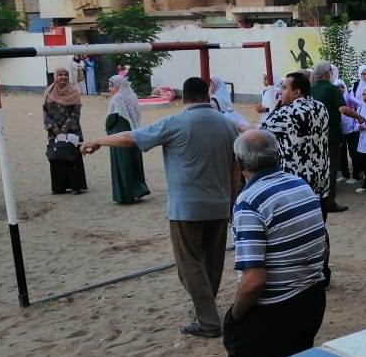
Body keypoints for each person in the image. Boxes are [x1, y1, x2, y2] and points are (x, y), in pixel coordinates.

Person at [81, 76, 239, 337]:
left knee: (189, 266)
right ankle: (204, 310)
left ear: (184, 96)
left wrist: (99, 141)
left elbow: (131, 138)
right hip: (220, 206)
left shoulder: (174, 123)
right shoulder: (227, 124)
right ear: (207, 95)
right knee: (212, 262)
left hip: (186, 209)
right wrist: (232, 201)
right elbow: (235, 168)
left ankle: (208, 321)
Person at [223, 129, 327, 357]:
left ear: (240, 163)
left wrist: (234, 317)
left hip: (276, 309)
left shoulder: (249, 201)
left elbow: (254, 281)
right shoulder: (300, 184)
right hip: (312, 299)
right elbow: (322, 247)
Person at [260, 72, 330, 198]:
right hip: (320, 177)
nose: (280, 92)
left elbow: (262, 132)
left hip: (296, 181)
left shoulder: (287, 112)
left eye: (284, 88)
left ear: (297, 92)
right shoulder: (321, 107)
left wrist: (278, 106)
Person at [310, 61, 365, 214]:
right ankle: (329, 202)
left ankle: (316, 200)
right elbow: (342, 109)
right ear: (327, 73)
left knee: (318, 168)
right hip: (331, 134)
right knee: (332, 169)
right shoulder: (332, 89)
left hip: (314, 135)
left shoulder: (310, 90)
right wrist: (358, 116)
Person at [104, 74, 150, 205]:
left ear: (119, 86)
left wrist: (107, 127)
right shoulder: (132, 95)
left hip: (119, 132)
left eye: (111, 86)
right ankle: (138, 191)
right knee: (133, 161)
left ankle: (126, 195)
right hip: (133, 132)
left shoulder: (117, 98)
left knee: (122, 163)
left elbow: (112, 118)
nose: (110, 89)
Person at [43, 66, 88, 195]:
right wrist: (53, 126)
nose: (63, 77)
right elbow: (45, 112)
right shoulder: (49, 91)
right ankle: (59, 187)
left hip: (72, 130)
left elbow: (76, 112)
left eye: (65, 75)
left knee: (73, 156)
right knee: (57, 156)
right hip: (54, 131)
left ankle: (76, 186)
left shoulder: (73, 91)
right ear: (55, 77)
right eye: (60, 75)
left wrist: (65, 127)